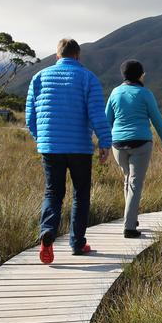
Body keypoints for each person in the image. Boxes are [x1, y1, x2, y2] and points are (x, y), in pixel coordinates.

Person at [25, 38, 111, 264]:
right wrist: (105, 142)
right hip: (79, 147)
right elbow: (96, 114)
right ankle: (77, 243)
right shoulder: (87, 78)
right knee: (80, 194)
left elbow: (30, 117)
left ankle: (48, 233)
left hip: (50, 147)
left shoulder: (39, 77)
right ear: (78, 56)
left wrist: (41, 139)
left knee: (53, 192)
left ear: (57, 56)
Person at [105, 59, 162, 239]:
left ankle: (131, 219)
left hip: (118, 143)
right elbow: (157, 120)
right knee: (135, 183)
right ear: (141, 75)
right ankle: (129, 227)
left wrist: (104, 143)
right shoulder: (145, 93)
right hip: (141, 142)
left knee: (128, 180)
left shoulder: (115, 92)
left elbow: (107, 120)